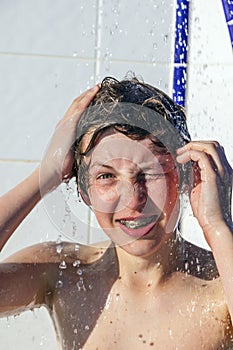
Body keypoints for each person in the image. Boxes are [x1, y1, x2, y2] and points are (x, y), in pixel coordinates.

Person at [0, 76, 233, 350]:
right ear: (84, 191)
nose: (133, 200)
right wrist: (47, 174)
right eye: (106, 176)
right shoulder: (64, 275)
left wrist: (217, 226)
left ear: (184, 177)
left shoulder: (220, 287)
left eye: (152, 172)